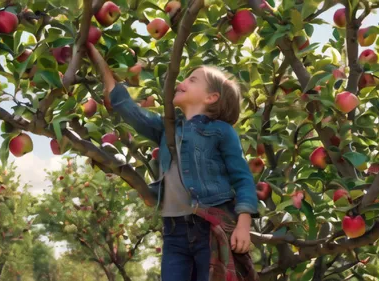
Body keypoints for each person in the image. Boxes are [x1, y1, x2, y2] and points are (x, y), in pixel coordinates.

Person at [87, 44, 259, 281]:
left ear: (211, 97)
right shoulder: (167, 129)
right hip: (174, 231)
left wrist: (243, 222)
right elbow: (128, 109)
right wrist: (100, 63)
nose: (183, 82)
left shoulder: (221, 131)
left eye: (193, 80)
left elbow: (242, 178)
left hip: (209, 225)